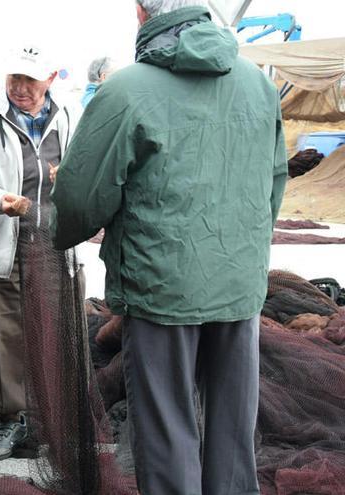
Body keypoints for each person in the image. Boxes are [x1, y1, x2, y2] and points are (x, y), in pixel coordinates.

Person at [49, 0, 288, 493]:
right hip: (238, 289)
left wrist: (61, 233)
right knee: (232, 432)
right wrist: (246, 250)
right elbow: (274, 180)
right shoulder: (258, 85)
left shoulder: (126, 90)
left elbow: (79, 195)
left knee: (166, 432)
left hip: (161, 290)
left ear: (142, 13)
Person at [0, 42, 81, 461]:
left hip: (53, 245)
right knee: (3, 337)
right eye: (14, 77)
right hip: (1, 243)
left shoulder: (69, 115)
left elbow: (87, 167)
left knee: (53, 333)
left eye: (29, 78)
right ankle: (10, 419)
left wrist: (71, 177)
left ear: (51, 78)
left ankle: (53, 417)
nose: (20, 87)